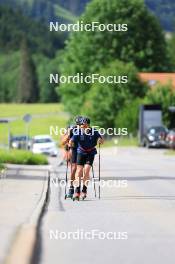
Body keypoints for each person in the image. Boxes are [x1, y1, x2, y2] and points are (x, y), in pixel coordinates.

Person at [69, 117, 104, 200]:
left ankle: (84, 190)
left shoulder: (94, 131)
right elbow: (72, 140)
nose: (81, 126)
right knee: (79, 171)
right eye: (80, 124)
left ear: (87, 125)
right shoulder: (78, 132)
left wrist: (100, 140)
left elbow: (101, 140)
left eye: (83, 124)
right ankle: (77, 191)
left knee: (87, 170)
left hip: (90, 152)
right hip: (81, 152)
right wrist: (71, 143)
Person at [61, 116, 83, 198]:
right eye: (78, 124)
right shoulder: (72, 129)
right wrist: (68, 135)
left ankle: (78, 189)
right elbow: (63, 142)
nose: (80, 125)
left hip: (83, 151)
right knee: (73, 169)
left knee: (80, 170)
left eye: (81, 124)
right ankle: (71, 188)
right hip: (74, 150)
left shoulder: (87, 130)